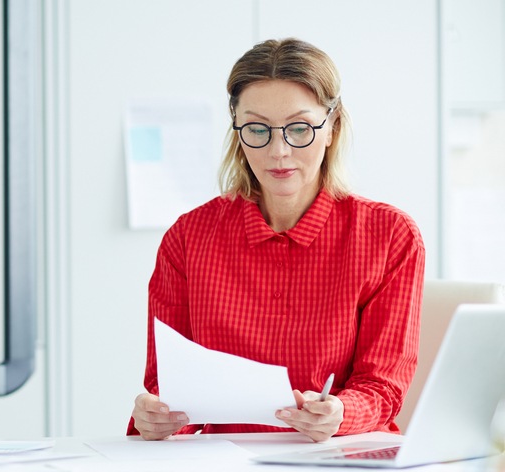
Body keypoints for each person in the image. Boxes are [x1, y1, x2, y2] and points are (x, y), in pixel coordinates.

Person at [129, 38, 425, 443]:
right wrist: (156, 417)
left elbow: (384, 386)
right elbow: (168, 391)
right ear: (237, 129)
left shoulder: (389, 236)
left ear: (331, 128)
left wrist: (340, 413)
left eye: (300, 128)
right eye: (257, 129)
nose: (278, 150)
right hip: (221, 466)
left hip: (339, 460)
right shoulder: (188, 238)